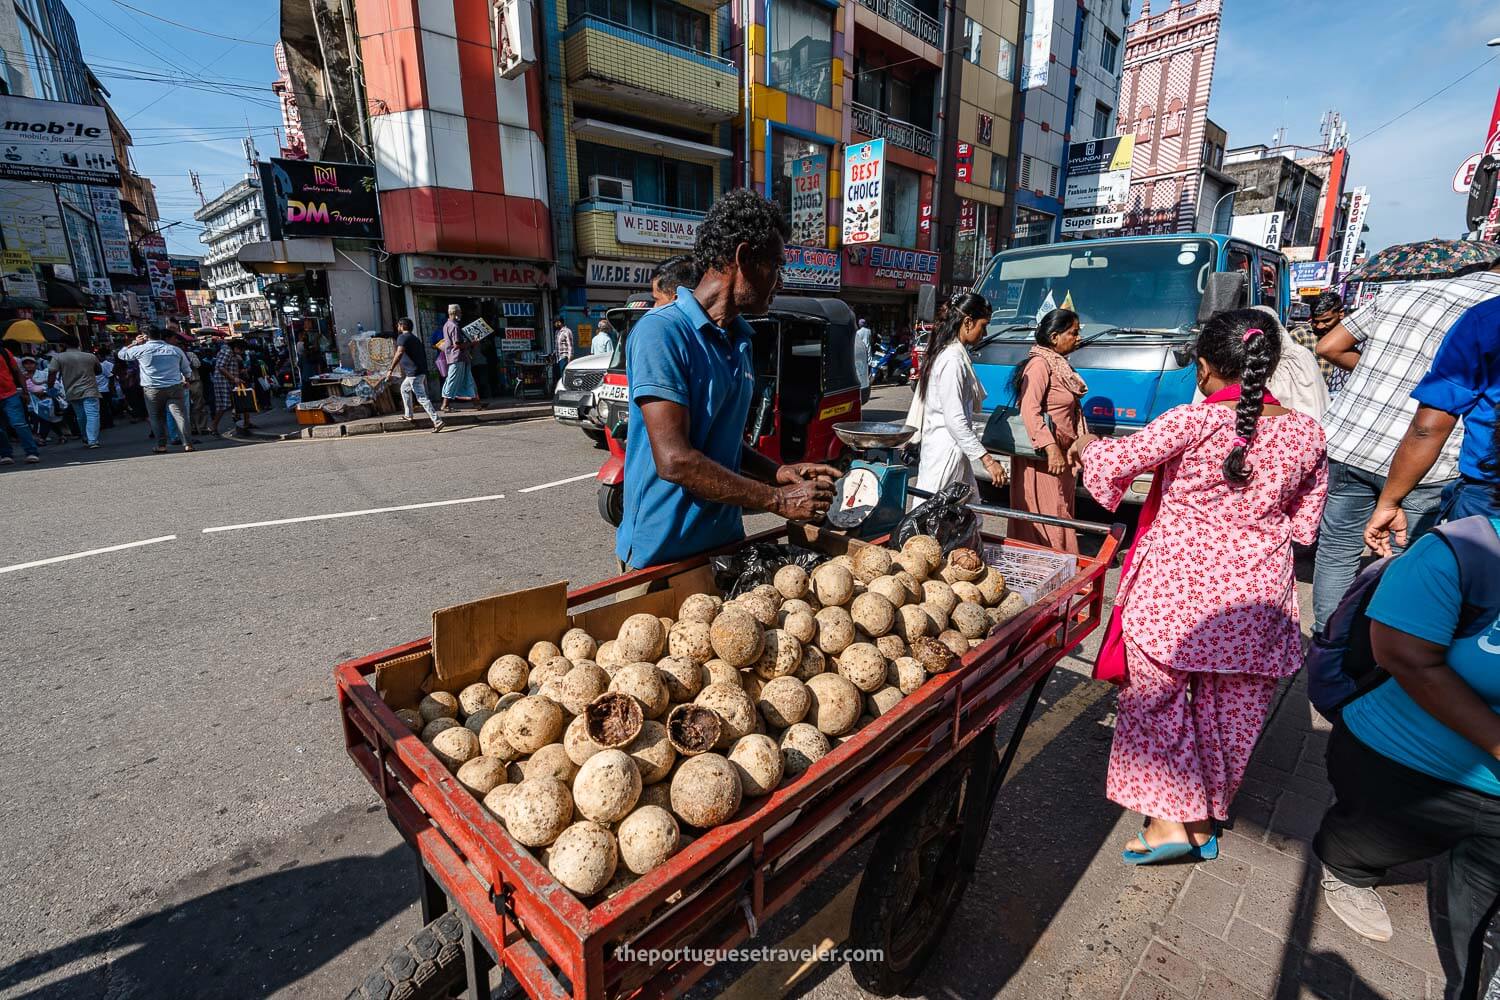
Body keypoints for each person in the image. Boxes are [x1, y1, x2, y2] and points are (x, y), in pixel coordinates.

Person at [1067, 308, 1328, 864]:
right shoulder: (1308, 433)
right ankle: (1205, 818)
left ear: (1206, 368)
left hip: (1175, 597)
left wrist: (1088, 447)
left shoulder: (1191, 421)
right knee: (1231, 718)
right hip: (1259, 603)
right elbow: (1305, 527)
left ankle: (1168, 825)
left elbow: (1113, 466)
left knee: (1157, 705)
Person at [1313, 431, 1500, 999]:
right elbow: (1405, 656)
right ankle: (1347, 867)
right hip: (1401, 760)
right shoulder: (1464, 551)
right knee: (1366, 840)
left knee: (1482, 917)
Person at [617, 188, 841, 571]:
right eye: (775, 265)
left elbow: (722, 444)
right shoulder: (663, 333)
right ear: (743, 259)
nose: (780, 281)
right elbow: (676, 461)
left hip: (724, 549)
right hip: (661, 558)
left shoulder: (739, 339)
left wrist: (778, 471)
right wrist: (779, 500)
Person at [1311, 265, 1500, 626]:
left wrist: (1373, 371)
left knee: (1337, 550)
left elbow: (1329, 346)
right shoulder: (1486, 309)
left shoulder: (1401, 292)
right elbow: (1429, 427)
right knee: (1401, 558)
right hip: (1426, 464)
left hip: (1353, 440)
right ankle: (1378, 651)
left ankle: (1328, 639)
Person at [1365, 291, 1500, 555]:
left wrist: (1389, 502)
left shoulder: (1486, 318)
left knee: (1478, 589)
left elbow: (1428, 428)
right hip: (1486, 489)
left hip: (1488, 494)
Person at [908, 291, 1008, 496]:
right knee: (935, 517)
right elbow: (955, 420)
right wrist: (988, 461)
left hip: (952, 450)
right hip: (946, 453)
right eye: (983, 325)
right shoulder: (952, 360)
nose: (985, 333)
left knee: (965, 518)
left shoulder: (953, 354)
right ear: (968, 322)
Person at [1008, 308, 1085, 553]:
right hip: (1042, 458)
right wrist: (1051, 448)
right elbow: (1029, 410)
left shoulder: (1060, 365)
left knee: (1059, 511)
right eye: (1073, 333)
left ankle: (1056, 571)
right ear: (1054, 337)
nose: (1078, 338)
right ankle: (1054, 571)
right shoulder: (1040, 365)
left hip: (1060, 456)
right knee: (1049, 516)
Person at [118, 327, 193, 453]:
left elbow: (122, 354)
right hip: (174, 387)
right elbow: (186, 369)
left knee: (156, 417)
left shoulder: (140, 349)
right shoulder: (175, 350)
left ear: (146, 337)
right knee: (180, 415)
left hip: (152, 389)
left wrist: (134, 343)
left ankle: (161, 445)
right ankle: (187, 444)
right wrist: (187, 379)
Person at [386, 317, 444, 433]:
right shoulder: (414, 338)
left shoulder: (402, 337)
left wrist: (390, 369)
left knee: (422, 397)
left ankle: (437, 420)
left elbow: (399, 353)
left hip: (414, 373)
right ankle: (408, 415)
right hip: (417, 371)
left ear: (402, 326)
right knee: (404, 389)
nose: (397, 327)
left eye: (398, 325)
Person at [47, 335, 102, 448]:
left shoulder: (58, 357)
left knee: (80, 416)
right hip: (90, 389)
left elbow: (52, 373)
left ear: (63, 345)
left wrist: (50, 387)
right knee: (92, 414)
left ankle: (86, 437)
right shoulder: (90, 356)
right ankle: (92, 440)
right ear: (78, 344)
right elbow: (98, 371)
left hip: (72, 390)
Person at [1288, 292, 1348, 394]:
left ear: (1341, 314)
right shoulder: (1300, 335)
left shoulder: (1352, 337)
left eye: (1326, 321)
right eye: (1315, 321)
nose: (1320, 326)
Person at [0, 342, 40, 465]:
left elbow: (17, 371)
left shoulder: (4, 352)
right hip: (9, 394)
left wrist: (25, 392)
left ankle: (31, 451)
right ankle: (5, 453)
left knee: (19, 423)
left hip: (10, 393)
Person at [439, 305, 479, 411]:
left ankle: (476, 403)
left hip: (459, 358)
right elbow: (457, 345)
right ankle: (445, 404)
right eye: (460, 313)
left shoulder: (447, 324)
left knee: (468, 380)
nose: (461, 315)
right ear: (455, 314)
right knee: (452, 380)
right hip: (457, 357)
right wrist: (472, 343)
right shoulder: (454, 326)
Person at [210, 339, 248, 438]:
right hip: (223, 382)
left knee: (240, 400)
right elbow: (221, 367)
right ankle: (213, 427)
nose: (242, 352)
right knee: (223, 405)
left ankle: (245, 422)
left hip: (229, 381)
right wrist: (234, 378)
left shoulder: (231, 353)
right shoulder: (227, 352)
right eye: (241, 350)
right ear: (236, 348)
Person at [855, 317, 873, 404]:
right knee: (867, 367)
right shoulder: (869, 331)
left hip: (861, 352)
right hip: (868, 350)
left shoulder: (858, 332)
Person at [552, 317, 574, 384]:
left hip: (564, 357)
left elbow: (570, 346)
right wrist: (553, 353)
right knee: (558, 377)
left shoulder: (567, 331)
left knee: (564, 376)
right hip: (557, 358)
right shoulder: (557, 332)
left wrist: (570, 358)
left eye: (555, 323)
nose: (554, 324)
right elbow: (557, 345)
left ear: (559, 322)